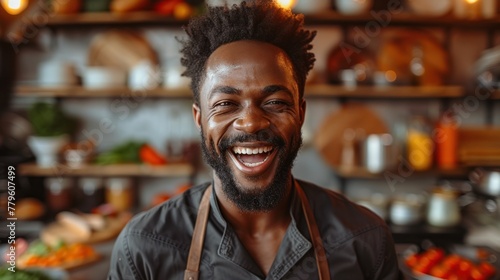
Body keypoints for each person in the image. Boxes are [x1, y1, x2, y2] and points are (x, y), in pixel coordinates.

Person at [108, 1, 403, 279]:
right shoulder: (143, 249)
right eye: (226, 104)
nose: (251, 122)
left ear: (300, 113)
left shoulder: (365, 240)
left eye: (275, 102)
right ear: (200, 119)